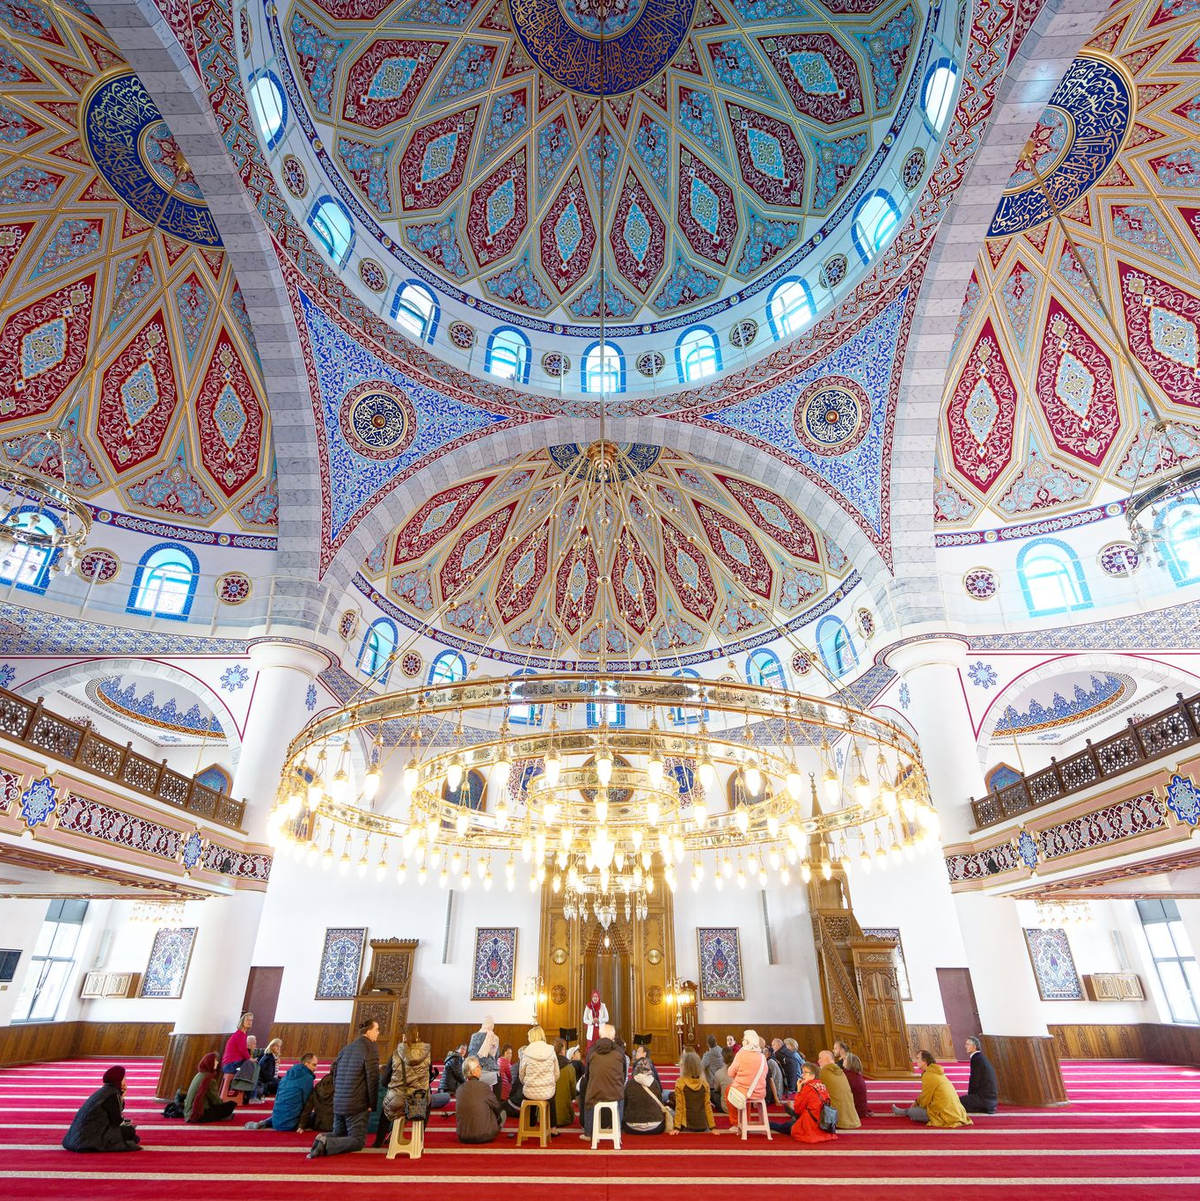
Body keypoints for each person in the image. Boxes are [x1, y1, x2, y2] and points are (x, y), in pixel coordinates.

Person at [308, 1018, 380, 1158]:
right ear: (369, 1031)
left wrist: (339, 1095)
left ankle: (322, 1139)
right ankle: (326, 1144)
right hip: (356, 1103)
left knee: (339, 1133)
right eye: (376, 1029)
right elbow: (372, 1078)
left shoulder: (346, 1048)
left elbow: (333, 1074)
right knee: (357, 1140)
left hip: (339, 1101)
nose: (378, 1033)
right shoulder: (370, 1048)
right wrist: (372, 1103)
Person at [374, 1025, 433, 1148]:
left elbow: (384, 1081)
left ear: (404, 1036)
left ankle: (378, 1141)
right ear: (417, 1036)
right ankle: (419, 1139)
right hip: (417, 1103)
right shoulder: (427, 1055)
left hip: (397, 1101)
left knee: (387, 1107)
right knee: (428, 1099)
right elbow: (429, 1076)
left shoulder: (395, 1054)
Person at [62, 1065, 141, 1152]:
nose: (125, 1079)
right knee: (129, 1131)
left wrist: (121, 1097)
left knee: (129, 1132)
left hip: (76, 1137)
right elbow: (116, 1121)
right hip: (89, 1138)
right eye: (124, 1077)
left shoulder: (105, 1091)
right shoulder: (112, 1094)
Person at [892, 1050, 973, 1128]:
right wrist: (917, 1102)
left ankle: (906, 1112)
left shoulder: (929, 1075)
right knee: (917, 1108)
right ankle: (906, 1111)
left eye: (917, 1058)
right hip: (955, 1111)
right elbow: (925, 1093)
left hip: (945, 1114)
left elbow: (925, 1099)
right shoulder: (934, 1070)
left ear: (924, 1061)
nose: (916, 1061)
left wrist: (916, 1105)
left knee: (913, 1111)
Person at [770, 1061, 838, 1143]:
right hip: (822, 1123)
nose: (802, 1075)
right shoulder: (822, 1086)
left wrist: (798, 1090)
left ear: (812, 1076)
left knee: (783, 1126)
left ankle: (768, 1124)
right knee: (791, 1118)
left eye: (805, 1073)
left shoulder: (808, 1088)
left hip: (810, 1126)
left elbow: (798, 1109)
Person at [247, 1053, 318, 1131]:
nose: (316, 1068)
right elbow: (307, 1103)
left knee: (285, 1109)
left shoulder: (287, 1075)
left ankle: (265, 1122)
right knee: (318, 1117)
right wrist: (302, 1125)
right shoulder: (307, 1078)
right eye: (314, 1065)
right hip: (290, 1124)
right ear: (306, 1064)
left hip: (276, 1120)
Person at [580, 1023, 626, 1138]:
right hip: (614, 1092)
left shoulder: (591, 1050)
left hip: (595, 1091)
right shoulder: (620, 1051)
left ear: (600, 1035)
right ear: (613, 1036)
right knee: (620, 1097)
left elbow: (587, 1073)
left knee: (588, 1096)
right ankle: (617, 1130)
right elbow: (624, 1074)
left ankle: (588, 1133)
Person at [722, 1029, 768, 1132]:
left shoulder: (741, 1054)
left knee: (729, 1090)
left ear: (747, 1041)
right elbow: (765, 1073)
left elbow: (730, 1073)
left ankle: (736, 1122)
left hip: (744, 1091)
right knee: (744, 1093)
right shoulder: (762, 1056)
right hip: (760, 1092)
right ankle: (747, 1119)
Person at [456, 1055, 505, 1144]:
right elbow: (497, 1107)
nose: (481, 1068)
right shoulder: (484, 1087)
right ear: (473, 1071)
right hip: (485, 1135)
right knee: (502, 1113)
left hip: (463, 1136)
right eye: (479, 1067)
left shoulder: (459, 1089)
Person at [518, 1025, 561, 1121]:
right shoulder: (551, 1050)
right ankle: (553, 1127)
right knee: (551, 1097)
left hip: (529, 1091)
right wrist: (550, 1082)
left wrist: (528, 1082)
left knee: (529, 1094)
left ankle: (530, 1124)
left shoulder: (526, 1052)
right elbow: (557, 1073)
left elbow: (521, 1075)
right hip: (548, 1091)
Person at [670, 1050, 717, 1135]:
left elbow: (679, 1107)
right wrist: (712, 1127)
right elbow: (707, 1106)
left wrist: (677, 1127)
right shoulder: (704, 1083)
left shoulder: (680, 1082)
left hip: (687, 1126)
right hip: (703, 1125)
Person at [186, 1052, 237, 1124]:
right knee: (231, 1104)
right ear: (210, 1062)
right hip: (199, 1114)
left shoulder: (199, 1074)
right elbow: (215, 1100)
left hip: (188, 1112)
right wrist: (224, 1106)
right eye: (215, 1060)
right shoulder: (209, 1078)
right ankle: (222, 1116)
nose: (217, 1062)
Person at [623, 1057, 669, 1134]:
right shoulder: (654, 1082)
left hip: (632, 1127)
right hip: (655, 1127)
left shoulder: (630, 1083)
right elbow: (659, 1100)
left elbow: (626, 1103)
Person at [817, 1050, 860, 1130]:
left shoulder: (824, 1072)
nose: (818, 1061)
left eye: (820, 1058)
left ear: (826, 1059)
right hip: (852, 1118)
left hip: (837, 1119)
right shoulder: (840, 1071)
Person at [221, 1012, 254, 1101]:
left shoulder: (242, 1034)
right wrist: (250, 1059)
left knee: (250, 1066)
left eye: (251, 1020)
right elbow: (242, 1051)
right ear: (242, 1021)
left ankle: (245, 1093)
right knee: (253, 1066)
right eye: (247, 1020)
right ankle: (250, 1095)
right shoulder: (240, 1034)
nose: (249, 1022)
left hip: (233, 1063)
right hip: (231, 1065)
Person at [960, 1036, 999, 1114]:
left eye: (967, 1044)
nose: (965, 1046)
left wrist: (970, 1097)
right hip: (990, 1099)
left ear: (974, 1047)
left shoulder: (977, 1059)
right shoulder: (980, 1058)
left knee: (956, 1102)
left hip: (985, 1099)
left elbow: (975, 1080)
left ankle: (984, 1107)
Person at [302, 1068, 336, 1132]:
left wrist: (301, 1126)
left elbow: (308, 1107)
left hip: (319, 1124)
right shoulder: (342, 1086)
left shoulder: (318, 1086)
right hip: (336, 1125)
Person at [468, 1017, 500, 1083]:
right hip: (489, 1069)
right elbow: (496, 1056)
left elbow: (470, 1052)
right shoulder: (495, 1038)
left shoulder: (474, 1036)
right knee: (499, 1079)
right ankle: (495, 1093)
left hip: (474, 1069)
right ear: (492, 1025)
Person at [841, 1051, 870, 1119]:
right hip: (861, 1110)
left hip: (856, 1112)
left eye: (845, 1059)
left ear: (849, 1063)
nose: (843, 1060)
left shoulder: (848, 1076)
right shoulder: (855, 1075)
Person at [582, 990, 608, 1054]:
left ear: (599, 997)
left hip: (600, 1030)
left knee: (601, 1047)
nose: (595, 998)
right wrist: (592, 1022)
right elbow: (584, 1019)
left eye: (596, 996)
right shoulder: (588, 1006)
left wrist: (599, 1020)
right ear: (591, 998)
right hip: (591, 1031)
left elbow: (607, 1018)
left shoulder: (603, 1006)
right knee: (591, 1048)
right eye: (593, 997)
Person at [713, 1046, 735, 1112]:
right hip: (740, 1106)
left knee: (713, 1093)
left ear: (722, 1059)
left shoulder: (719, 1073)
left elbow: (716, 1089)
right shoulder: (741, 1070)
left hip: (726, 1108)